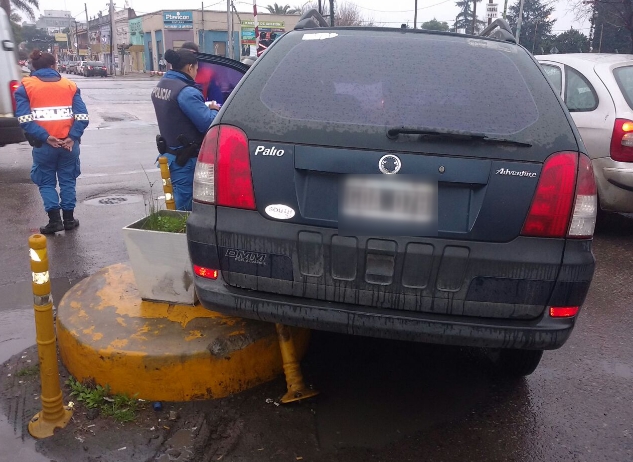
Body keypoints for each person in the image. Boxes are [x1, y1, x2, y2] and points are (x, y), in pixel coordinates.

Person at [14, 50, 89, 234]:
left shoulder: (26, 87)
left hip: (44, 145)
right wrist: (71, 137)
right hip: (69, 145)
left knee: (46, 182)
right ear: (54, 66)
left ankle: (55, 222)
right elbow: (83, 116)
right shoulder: (69, 85)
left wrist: (46, 137)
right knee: (68, 181)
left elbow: (24, 119)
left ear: (33, 66)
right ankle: (69, 220)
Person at [151, 48, 220, 211]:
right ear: (189, 67)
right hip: (185, 160)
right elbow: (207, 123)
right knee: (186, 206)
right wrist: (214, 110)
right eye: (196, 69)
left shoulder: (162, 85)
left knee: (177, 200)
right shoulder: (186, 92)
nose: (196, 73)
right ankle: (184, 235)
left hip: (171, 155)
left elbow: (177, 109)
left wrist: (202, 106)